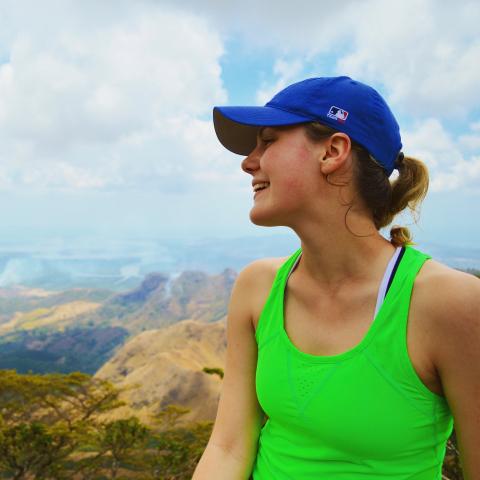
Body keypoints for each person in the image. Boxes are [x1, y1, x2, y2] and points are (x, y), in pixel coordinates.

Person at [192, 76, 480, 479]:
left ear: (332, 151)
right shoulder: (257, 287)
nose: (248, 161)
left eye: (268, 141)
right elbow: (227, 447)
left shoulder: (450, 303)